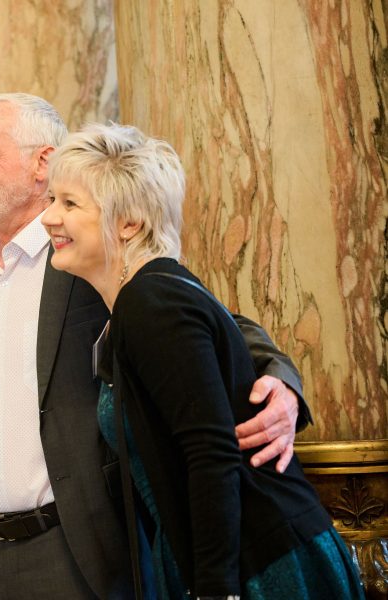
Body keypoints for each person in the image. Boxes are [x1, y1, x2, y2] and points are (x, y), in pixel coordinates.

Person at [0, 93, 310, 600]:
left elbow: (206, 319)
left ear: (43, 163)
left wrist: (282, 382)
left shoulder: (88, 253)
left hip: (78, 547)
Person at [39, 122, 363, 599]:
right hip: (229, 555)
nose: (48, 217)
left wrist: (216, 590)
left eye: (69, 204)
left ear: (129, 223)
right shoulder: (150, 294)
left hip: (256, 562)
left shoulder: (152, 301)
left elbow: (210, 452)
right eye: (52, 200)